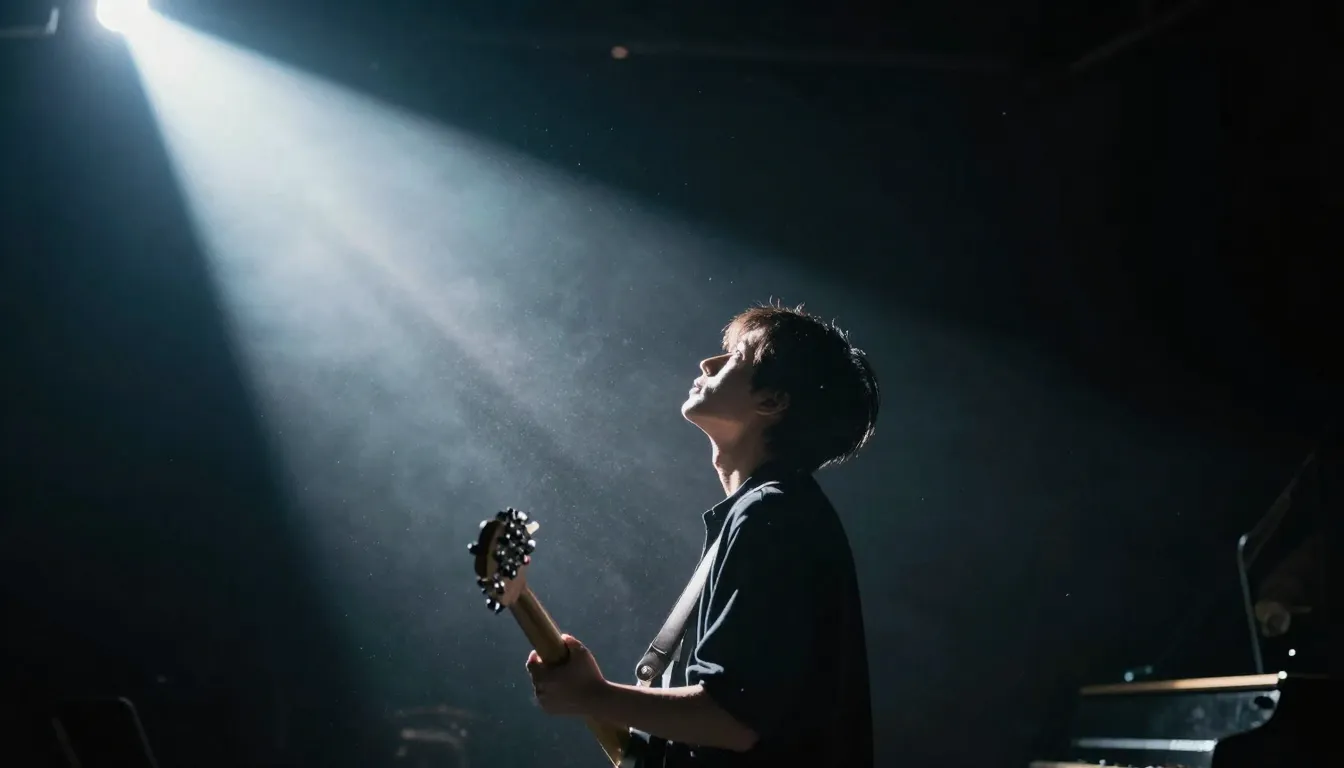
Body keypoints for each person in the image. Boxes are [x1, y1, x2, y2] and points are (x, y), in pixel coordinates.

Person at [525, 302, 879, 766]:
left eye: (735, 357)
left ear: (772, 401)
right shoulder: (772, 511)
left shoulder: (773, 515)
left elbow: (733, 719)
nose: (707, 363)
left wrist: (593, 695)